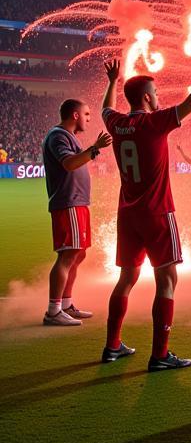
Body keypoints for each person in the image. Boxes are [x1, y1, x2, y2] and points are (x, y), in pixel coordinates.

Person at [101, 56, 191, 369]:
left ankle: (112, 346)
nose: (158, 98)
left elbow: (106, 108)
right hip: (157, 213)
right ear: (146, 98)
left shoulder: (117, 123)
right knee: (168, 278)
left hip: (128, 213)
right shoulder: (153, 123)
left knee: (126, 278)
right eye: (155, 93)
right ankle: (160, 354)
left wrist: (111, 82)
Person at [40, 99, 112, 325]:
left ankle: (66, 304)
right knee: (68, 254)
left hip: (77, 202)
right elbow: (69, 164)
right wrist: (94, 149)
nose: (89, 119)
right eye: (87, 114)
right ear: (74, 115)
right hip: (68, 202)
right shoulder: (58, 136)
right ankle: (53, 311)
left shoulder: (67, 137)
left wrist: (92, 149)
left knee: (78, 254)